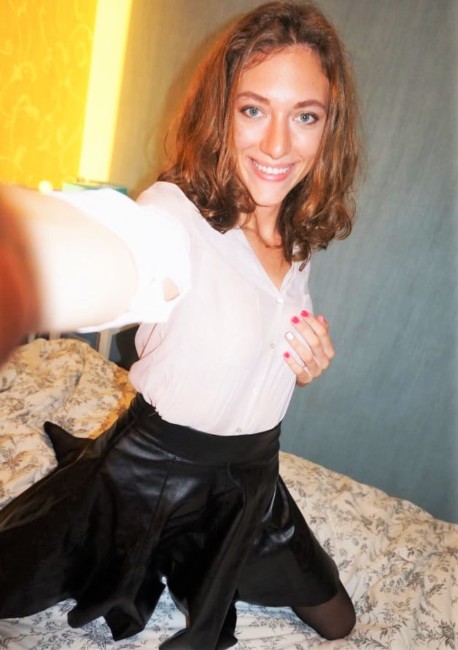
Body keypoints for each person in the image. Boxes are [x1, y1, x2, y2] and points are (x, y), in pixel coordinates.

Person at [0, 2, 360, 648]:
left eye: (304, 116)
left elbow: (251, 346)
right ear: (222, 111)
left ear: (328, 125)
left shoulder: (297, 231)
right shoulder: (175, 216)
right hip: (156, 469)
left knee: (341, 622)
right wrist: (21, 257)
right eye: (254, 110)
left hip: (251, 479)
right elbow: (125, 256)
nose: (278, 145)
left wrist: (303, 364)